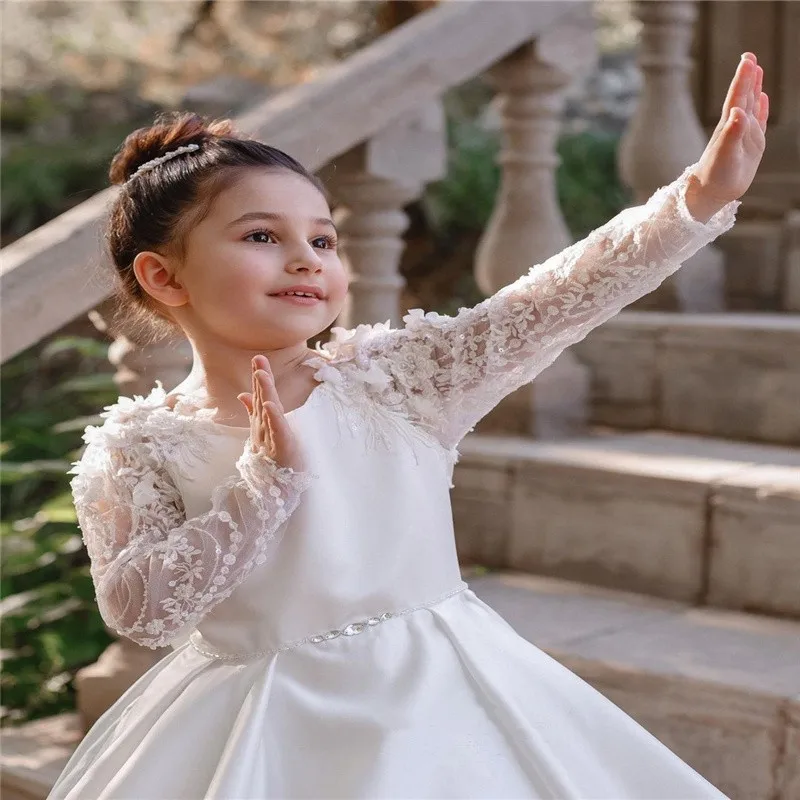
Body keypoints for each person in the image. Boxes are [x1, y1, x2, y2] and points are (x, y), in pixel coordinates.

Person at [49, 52, 767, 799]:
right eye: (262, 237)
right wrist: (259, 489)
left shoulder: (397, 381)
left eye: (323, 240)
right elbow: (143, 613)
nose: (304, 259)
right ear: (164, 277)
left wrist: (695, 199)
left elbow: (555, 298)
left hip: (440, 705)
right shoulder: (135, 445)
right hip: (255, 729)